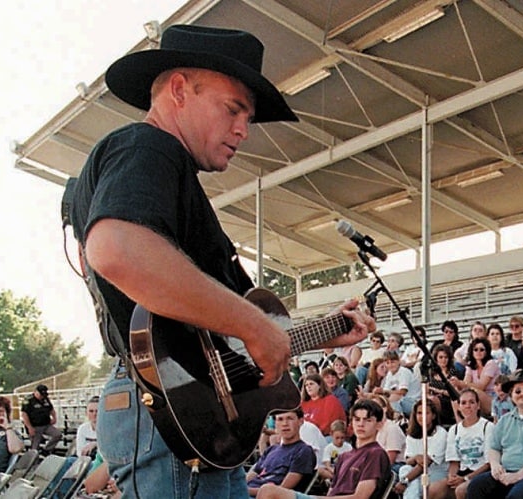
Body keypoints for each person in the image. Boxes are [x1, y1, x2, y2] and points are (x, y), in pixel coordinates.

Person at [70, 24, 374, 499]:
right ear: (178, 90)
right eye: (233, 109)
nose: (243, 131)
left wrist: (317, 331)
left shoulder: (154, 166)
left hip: (182, 419)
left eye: (247, 118)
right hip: (168, 420)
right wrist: (257, 328)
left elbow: (217, 344)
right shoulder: (148, 147)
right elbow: (116, 249)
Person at [256, 400, 391, 499]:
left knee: (269, 491)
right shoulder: (344, 456)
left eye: (367, 420)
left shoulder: (375, 454)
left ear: (379, 424)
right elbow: (332, 491)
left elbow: (361, 497)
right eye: (357, 419)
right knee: (266, 491)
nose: (361, 424)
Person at [466, 369, 523, 499]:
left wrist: (517, 476)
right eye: (517, 391)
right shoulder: (505, 420)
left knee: (517, 496)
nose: (522, 394)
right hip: (506, 472)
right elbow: (494, 448)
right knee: (476, 486)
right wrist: (495, 465)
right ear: (511, 396)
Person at [429, 389, 493, 499]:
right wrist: (452, 477)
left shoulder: (488, 427)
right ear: (458, 406)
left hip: (481, 473)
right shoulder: (454, 429)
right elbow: (454, 462)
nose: (468, 406)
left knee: (462, 490)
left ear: (478, 406)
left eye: (471, 402)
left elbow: (489, 463)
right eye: (463, 403)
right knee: (434, 489)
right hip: (462, 472)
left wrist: (466, 478)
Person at [246, 409, 316, 496]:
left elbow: (281, 491)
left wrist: (244, 491)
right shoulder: (271, 450)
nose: (285, 424)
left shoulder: (303, 451)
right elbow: (250, 476)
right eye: (280, 419)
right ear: (275, 424)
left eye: (290, 418)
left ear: (300, 421)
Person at [394, 399, 448, 498]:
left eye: (426, 413)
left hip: (436, 472)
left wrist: (405, 480)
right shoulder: (412, 435)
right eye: (419, 413)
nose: (422, 416)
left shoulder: (440, 433)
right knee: (405, 468)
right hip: (417, 474)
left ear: (433, 416)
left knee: (411, 482)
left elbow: (426, 463)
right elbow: (408, 461)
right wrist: (415, 458)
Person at [451, 338, 499, 416]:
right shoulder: (470, 365)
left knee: (475, 393)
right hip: (476, 398)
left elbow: (481, 386)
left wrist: (461, 383)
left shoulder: (491, 364)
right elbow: (465, 384)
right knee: (455, 394)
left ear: (486, 351)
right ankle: (459, 422)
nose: (478, 352)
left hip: (492, 398)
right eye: (475, 349)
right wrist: (457, 384)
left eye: (481, 349)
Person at [377, 349, 421, 416]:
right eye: (387, 363)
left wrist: (384, 391)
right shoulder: (389, 374)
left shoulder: (403, 372)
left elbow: (402, 392)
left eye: (393, 362)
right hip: (402, 402)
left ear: (398, 361)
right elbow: (386, 392)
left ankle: (399, 420)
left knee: (394, 397)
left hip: (414, 402)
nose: (390, 365)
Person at [20, 384, 62, 453]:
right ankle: (33, 460)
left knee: (57, 434)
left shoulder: (45, 399)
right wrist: (29, 427)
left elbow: (51, 409)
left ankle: (46, 450)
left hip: (46, 424)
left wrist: (54, 418)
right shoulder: (29, 400)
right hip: (35, 426)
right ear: (36, 392)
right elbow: (24, 415)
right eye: (41, 394)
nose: (42, 397)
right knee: (35, 446)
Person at [371, 394, 406, 474]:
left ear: (384, 409)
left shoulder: (391, 428)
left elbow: (390, 459)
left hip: (396, 467)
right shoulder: (373, 429)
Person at [428, 344, 459, 426]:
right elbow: (427, 390)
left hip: (449, 403)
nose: (443, 360)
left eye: (446, 357)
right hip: (433, 400)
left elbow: (453, 392)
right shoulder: (431, 372)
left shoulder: (452, 371)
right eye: (441, 357)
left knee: (434, 400)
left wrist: (438, 391)